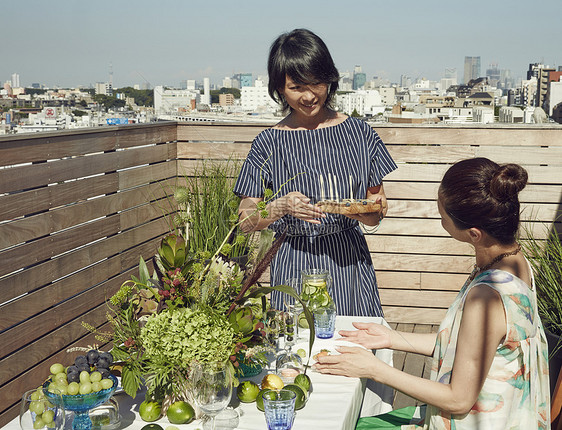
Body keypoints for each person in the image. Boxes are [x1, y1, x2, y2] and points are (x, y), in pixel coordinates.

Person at [314, 158, 550, 429]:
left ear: (474, 234)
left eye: (442, 217)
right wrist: (392, 338)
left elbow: (459, 399)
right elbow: (478, 349)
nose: (441, 221)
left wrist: (375, 370)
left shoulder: (486, 296)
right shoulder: (518, 263)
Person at [233, 28, 397, 316]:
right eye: (296, 87)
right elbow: (246, 219)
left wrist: (362, 212)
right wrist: (279, 206)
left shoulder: (360, 134)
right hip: (293, 262)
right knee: (298, 352)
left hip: (349, 262)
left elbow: (378, 207)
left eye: (316, 83)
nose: (309, 96)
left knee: (354, 349)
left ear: (330, 80)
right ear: (280, 89)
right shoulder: (268, 142)